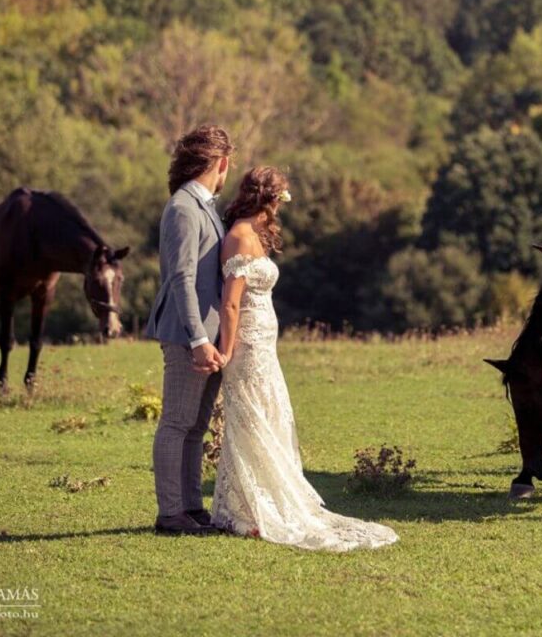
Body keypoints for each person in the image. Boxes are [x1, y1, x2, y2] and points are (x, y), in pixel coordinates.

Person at [211, 166, 398, 551]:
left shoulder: (256, 236)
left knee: (268, 412)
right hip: (245, 344)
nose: (280, 208)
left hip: (265, 343)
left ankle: (256, 500)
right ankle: (245, 509)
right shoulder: (239, 238)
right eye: (279, 200)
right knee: (250, 416)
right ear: (269, 200)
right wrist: (227, 350)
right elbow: (230, 303)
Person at [145, 127, 234, 536]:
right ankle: (170, 514)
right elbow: (181, 277)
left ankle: (190, 507)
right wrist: (199, 339)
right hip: (187, 335)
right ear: (222, 163)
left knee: (197, 426)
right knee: (177, 422)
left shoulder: (205, 206)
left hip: (208, 336)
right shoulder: (183, 208)